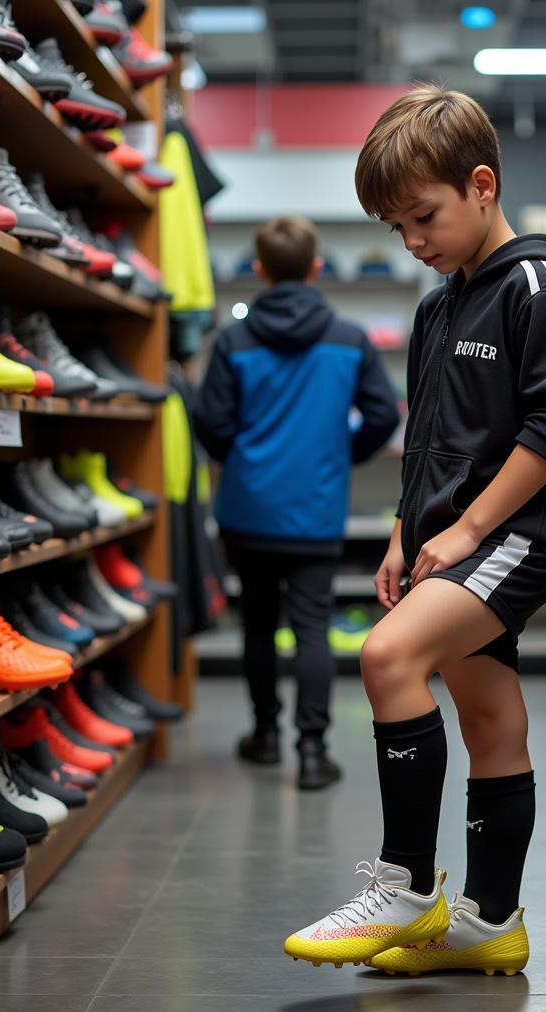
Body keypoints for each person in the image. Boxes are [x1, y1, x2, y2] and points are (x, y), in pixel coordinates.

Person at [282, 87, 546, 975]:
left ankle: (406, 887)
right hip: (457, 535)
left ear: (481, 185)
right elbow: (428, 436)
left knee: (388, 659)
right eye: (397, 229)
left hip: (521, 533)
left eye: (422, 216)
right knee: (490, 716)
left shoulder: (541, 284)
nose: (414, 241)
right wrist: (403, 533)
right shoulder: (437, 306)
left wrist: (467, 529)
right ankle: (490, 923)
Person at [194, 215, 400, 791]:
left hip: (247, 510)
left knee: (258, 627)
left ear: (259, 270)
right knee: (312, 627)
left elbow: (210, 422)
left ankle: (265, 736)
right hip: (316, 507)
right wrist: (342, 453)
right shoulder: (350, 338)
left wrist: (241, 459)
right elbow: (384, 416)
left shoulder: (233, 339)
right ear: (315, 268)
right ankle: (313, 752)